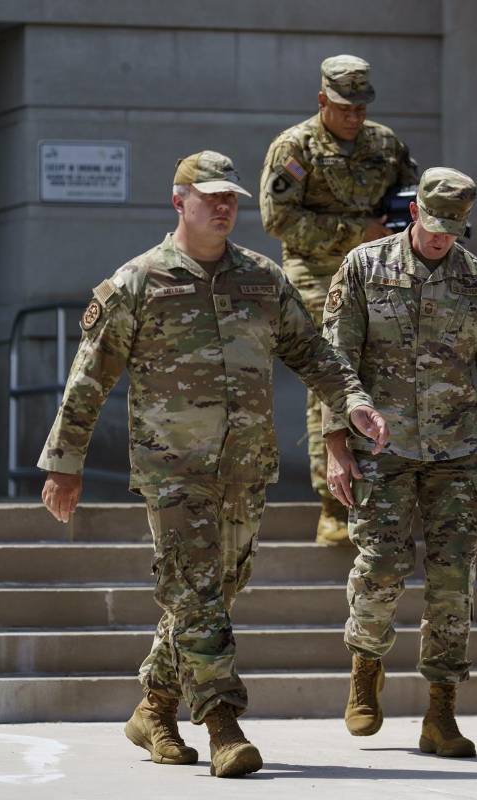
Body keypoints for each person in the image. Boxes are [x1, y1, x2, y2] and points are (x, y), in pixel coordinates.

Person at [38, 150, 389, 779]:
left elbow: (315, 354)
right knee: (197, 592)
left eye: (231, 198)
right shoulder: (138, 282)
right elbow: (88, 378)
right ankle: (223, 724)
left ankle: (154, 706)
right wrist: (65, 462)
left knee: (214, 592)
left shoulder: (261, 278)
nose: (224, 207)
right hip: (172, 471)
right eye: (211, 197)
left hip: (245, 468)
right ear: (180, 202)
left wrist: (355, 403)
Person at [321, 167, 477, 758]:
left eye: (454, 229)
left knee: (452, 582)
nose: (442, 238)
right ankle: (366, 666)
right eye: (435, 225)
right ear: (414, 213)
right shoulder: (364, 267)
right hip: (381, 450)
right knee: (382, 567)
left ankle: (441, 712)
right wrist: (335, 447)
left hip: (457, 452)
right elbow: (336, 361)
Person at [260, 54, 418, 545]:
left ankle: (388, 495)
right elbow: (278, 219)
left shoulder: (385, 143)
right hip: (317, 276)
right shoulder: (295, 147)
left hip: (377, 273)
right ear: (323, 99)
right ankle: (333, 503)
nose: (355, 116)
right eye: (345, 107)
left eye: (361, 107)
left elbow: (410, 195)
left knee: (387, 374)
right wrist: (354, 231)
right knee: (331, 379)